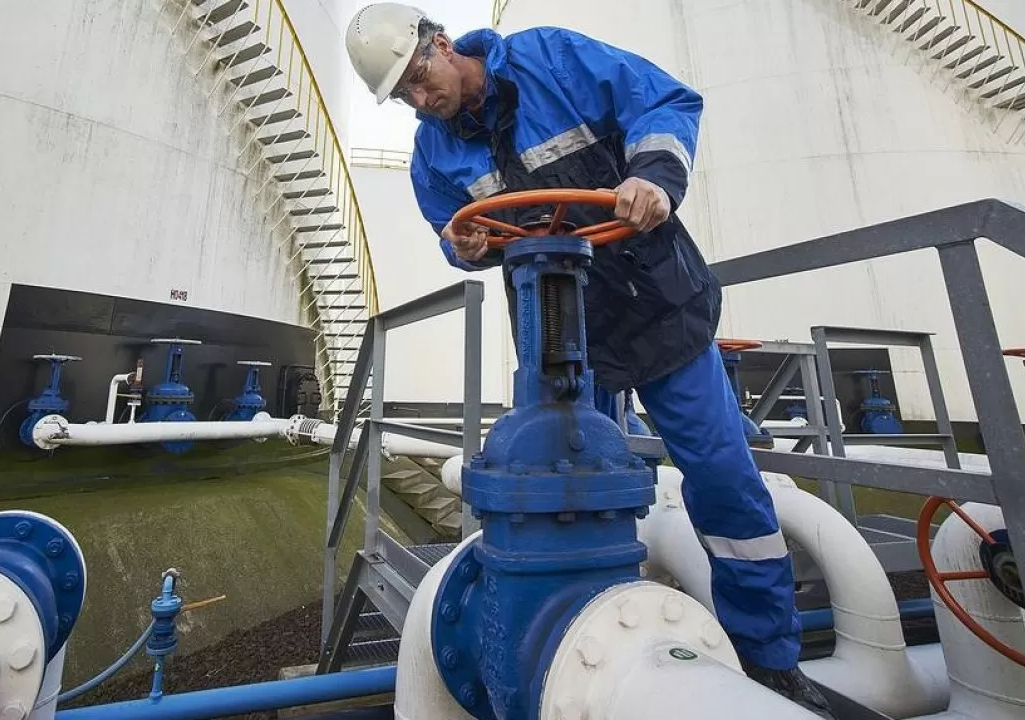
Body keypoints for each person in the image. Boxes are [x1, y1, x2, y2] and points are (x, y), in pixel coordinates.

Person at [344, 5, 835, 717]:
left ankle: (768, 657)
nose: (421, 100)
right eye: (403, 96)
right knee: (573, 486)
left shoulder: (549, 61)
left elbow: (662, 102)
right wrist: (465, 249)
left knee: (724, 478)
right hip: (560, 334)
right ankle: (595, 639)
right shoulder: (433, 154)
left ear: (442, 44)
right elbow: (451, 230)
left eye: (419, 78)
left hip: (658, 307)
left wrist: (654, 176)